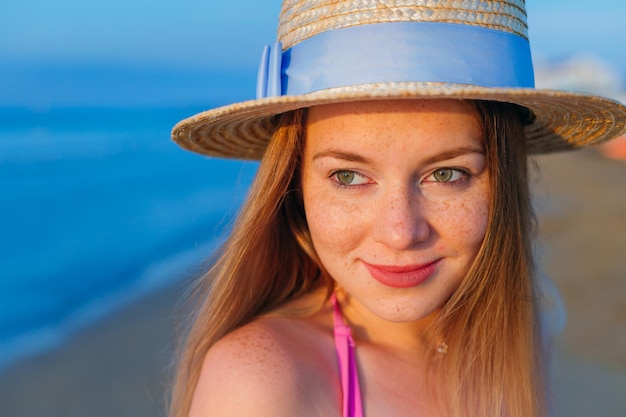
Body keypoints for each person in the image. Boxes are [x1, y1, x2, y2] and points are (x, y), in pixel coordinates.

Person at [168, 1, 626, 416]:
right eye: (348, 177)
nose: (401, 232)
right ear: (293, 186)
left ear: (503, 183)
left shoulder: (525, 331)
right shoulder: (261, 383)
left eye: (446, 174)